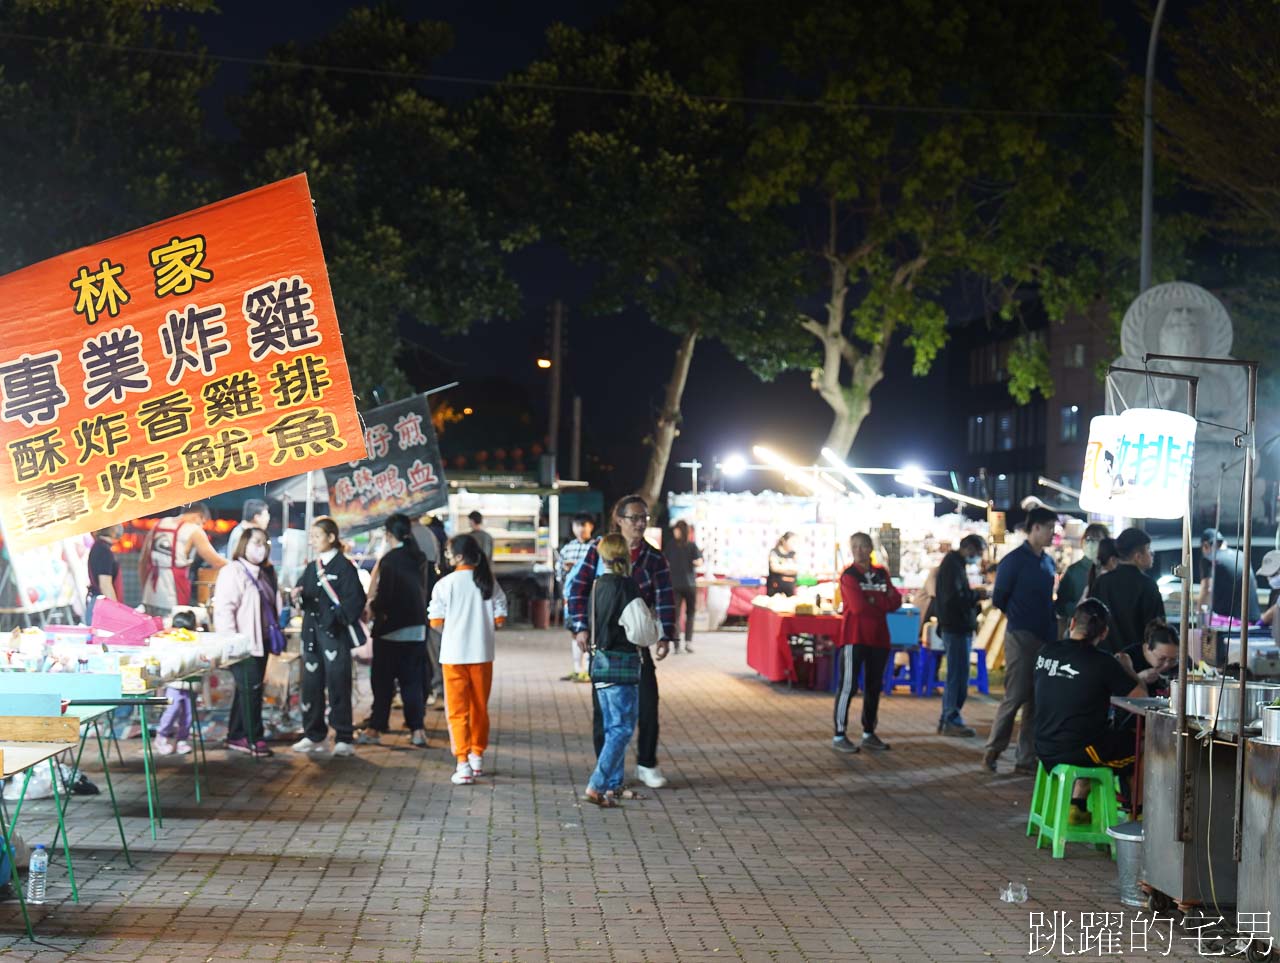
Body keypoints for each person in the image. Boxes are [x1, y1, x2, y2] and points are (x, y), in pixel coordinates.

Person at [566, 495, 675, 789]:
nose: (640, 524)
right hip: (603, 647)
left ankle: (646, 764)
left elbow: (665, 596)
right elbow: (577, 589)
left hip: (636, 649)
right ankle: (609, 773)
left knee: (647, 705)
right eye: (634, 518)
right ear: (619, 519)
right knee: (604, 713)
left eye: (644, 518)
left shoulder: (654, 557)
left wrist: (666, 634)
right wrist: (579, 627)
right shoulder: (598, 550)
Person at [1034, 598, 1146, 813]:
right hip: (1078, 750)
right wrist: (1129, 668)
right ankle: (1138, 815)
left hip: (1043, 743)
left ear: (1072, 623)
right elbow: (1141, 696)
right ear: (1104, 633)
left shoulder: (1046, 651)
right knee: (1139, 745)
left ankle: (1078, 806)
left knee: (1098, 735)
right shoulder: (1103, 663)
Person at [984, 507, 1058, 775]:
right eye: (1049, 527)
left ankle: (1026, 758)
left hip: (1046, 637)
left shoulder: (1048, 562)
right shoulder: (1014, 561)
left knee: (1037, 700)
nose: (1053, 533)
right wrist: (1020, 615)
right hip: (1021, 634)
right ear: (1035, 528)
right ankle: (993, 749)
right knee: (1015, 694)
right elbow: (999, 598)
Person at [429, 533, 507, 785]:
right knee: (479, 708)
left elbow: (436, 621)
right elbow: (500, 618)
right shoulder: (488, 582)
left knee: (457, 711)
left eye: (449, 552)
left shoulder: (444, 584)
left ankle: (462, 762)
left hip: (453, 655)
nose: (447, 556)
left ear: (459, 556)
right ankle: (477, 757)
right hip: (482, 655)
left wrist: (454, 631)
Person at [291, 517, 366, 757]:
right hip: (311, 635)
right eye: (311, 536)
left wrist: (336, 617)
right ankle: (314, 734)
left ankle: (344, 736)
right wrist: (297, 595)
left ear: (331, 537)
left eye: (317, 536)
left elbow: (356, 601)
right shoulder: (312, 567)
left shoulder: (345, 568)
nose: (312, 541)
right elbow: (304, 594)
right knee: (311, 686)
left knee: (338, 685)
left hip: (335, 637)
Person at [582, 534, 643, 807]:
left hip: (600, 665)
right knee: (621, 729)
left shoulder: (597, 585)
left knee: (611, 727)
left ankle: (612, 785)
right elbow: (640, 628)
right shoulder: (626, 586)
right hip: (621, 665)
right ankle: (597, 785)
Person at [359, 514, 430, 747]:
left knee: (383, 682)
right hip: (417, 629)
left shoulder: (389, 560)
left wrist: (373, 606)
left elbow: (386, 596)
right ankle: (417, 730)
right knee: (412, 682)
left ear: (389, 534)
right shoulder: (418, 557)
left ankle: (375, 728)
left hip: (392, 630)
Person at [831, 532, 903, 753]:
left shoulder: (881, 573)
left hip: (879, 639)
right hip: (855, 638)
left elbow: (896, 600)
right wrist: (881, 600)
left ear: (871, 548)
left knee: (874, 687)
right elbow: (858, 606)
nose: (859, 550)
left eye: (863, 546)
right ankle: (839, 734)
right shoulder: (849, 575)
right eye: (855, 547)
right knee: (848, 686)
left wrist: (873, 599)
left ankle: (869, 732)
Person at [213, 527, 280, 757]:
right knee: (250, 690)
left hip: (262, 642)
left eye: (265, 543)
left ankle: (236, 735)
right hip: (243, 646)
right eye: (256, 542)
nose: (261, 548)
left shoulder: (266, 573)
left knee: (248, 690)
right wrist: (231, 642)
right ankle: (254, 739)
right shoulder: (233, 571)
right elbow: (224, 610)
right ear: (244, 544)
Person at [933, 534, 987, 738]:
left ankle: (947, 718)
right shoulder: (952, 565)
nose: (979, 557)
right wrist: (976, 595)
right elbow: (953, 598)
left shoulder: (954, 564)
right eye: (979, 552)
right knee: (958, 675)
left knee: (957, 674)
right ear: (969, 548)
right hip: (955, 627)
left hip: (956, 627)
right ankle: (951, 719)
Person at [1087, 528, 1164, 655]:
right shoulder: (1148, 586)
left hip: (1103, 658)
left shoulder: (1102, 582)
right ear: (1138, 557)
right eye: (1148, 549)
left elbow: (1092, 622)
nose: (1152, 553)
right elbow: (1156, 630)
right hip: (1137, 663)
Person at [139, 503, 226, 616]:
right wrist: (238, 565)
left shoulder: (159, 524)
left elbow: (143, 561)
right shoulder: (194, 530)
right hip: (173, 594)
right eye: (203, 523)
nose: (202, 526)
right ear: (198, 516)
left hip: (150, 594)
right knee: (173, 630)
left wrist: (144, 589)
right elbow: (216, 561)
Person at [559, 513, 597, 681]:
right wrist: (566, 570)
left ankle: (589, 669)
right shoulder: (568, 548)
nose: (580, 529)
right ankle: (577, 668)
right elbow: (559, 572)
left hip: (590, 597)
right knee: (574, 631)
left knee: (589, 631)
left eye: (584, 525)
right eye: (577, 525)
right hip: (572, 597)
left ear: (591, 527)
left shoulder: (597, 547)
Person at [1199, 528, 1262, 627]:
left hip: (1229, 623)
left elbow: (1207, 589)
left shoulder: (1208, 559)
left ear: (1206, 545)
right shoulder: (1242, 555)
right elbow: (1254, 584)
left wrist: (1199, 614)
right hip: (1254, 620)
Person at [1055, 524, 1110, 637]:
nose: (1091, 543)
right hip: (1079, 633)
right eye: (1088, 539)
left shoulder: (1110, 570)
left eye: (1096, 539)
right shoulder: (1073, 571)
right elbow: (1060, 606)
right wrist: (1078, 608)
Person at [663, 520, 702, 654]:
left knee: (681, 614)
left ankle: (684, 643)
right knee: (683, 614)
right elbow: (699, 561)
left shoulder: (672, 546)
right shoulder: (690, 546)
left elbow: (665, 562)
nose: (675, 532)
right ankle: (681, 643)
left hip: (679, 584)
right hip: (686, 584)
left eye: (677, 529)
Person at [1116, 621, 1182, 698]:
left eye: (1173, 659)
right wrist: (1138, 678)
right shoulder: (1126, 659)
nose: (1167, 664)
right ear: (1147, 648)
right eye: (1162, 658)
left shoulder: (1181, 661)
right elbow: (1114, 694)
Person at [85, 525, 123, 625]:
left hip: (97, 605)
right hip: (102, 608)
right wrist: (116, 612)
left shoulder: (99, 547)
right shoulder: (104, 551)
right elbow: (105, 585)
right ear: (112, 529)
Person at [1258, 551, 1280, 646]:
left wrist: (1262, 621)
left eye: (1272, 575)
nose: (1269, 579)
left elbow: (1272, 612)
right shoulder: (1275, 592)